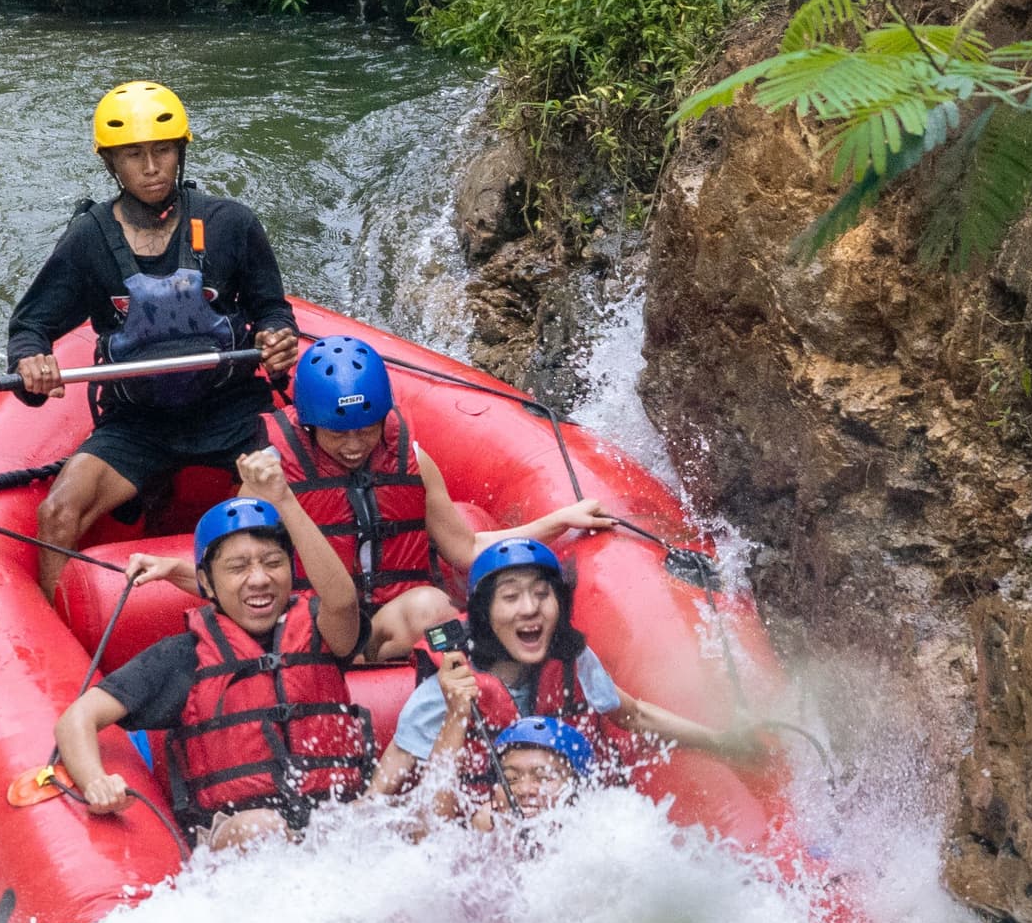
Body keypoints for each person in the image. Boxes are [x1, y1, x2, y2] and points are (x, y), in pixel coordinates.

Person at [6, 80, 303, 599]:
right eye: (134, 155)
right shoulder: (89, 239)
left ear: (180, 152)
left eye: (162, 151)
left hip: (229, 407)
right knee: (57, 512)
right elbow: (32, 325)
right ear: (111, 164)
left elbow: (271, 308)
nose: (150, 167)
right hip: (139, 420)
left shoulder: (229, 223)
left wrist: (278, 335)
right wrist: (32, 359)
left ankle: (270, 618)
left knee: (266, 508)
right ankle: (63, 638)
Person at [147, 333, 610, 662]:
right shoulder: (272, 476)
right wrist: (176, 573)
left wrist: (557, 521)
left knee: (432, 603)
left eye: (366, 431)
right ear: (308, 425)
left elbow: (465, 550)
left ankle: (469, 693)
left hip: (386, 628)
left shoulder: (411, 459)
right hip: (310, 626)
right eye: (337, 434)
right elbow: (239, 575)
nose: (353, 445)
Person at [52, 448, 368, 854]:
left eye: (273, 563)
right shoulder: (184, 656)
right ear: (208, 583)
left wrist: (284, 498)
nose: (259, 579)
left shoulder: (323, 631)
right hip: (234, 831)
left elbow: (342, 601)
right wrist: (96, 780)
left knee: (364, 818)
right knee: (262, 827)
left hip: (329, 822)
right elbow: (77, 718)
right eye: (238, 569)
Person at [375, 537, 767, 798]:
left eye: (542, 594)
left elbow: (634, 714)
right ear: (485, 614)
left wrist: (724, 742)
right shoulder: (444, 692)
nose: (530, 608)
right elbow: (380, 794)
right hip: (483, 832)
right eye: (510, 597)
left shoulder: (571, 658)